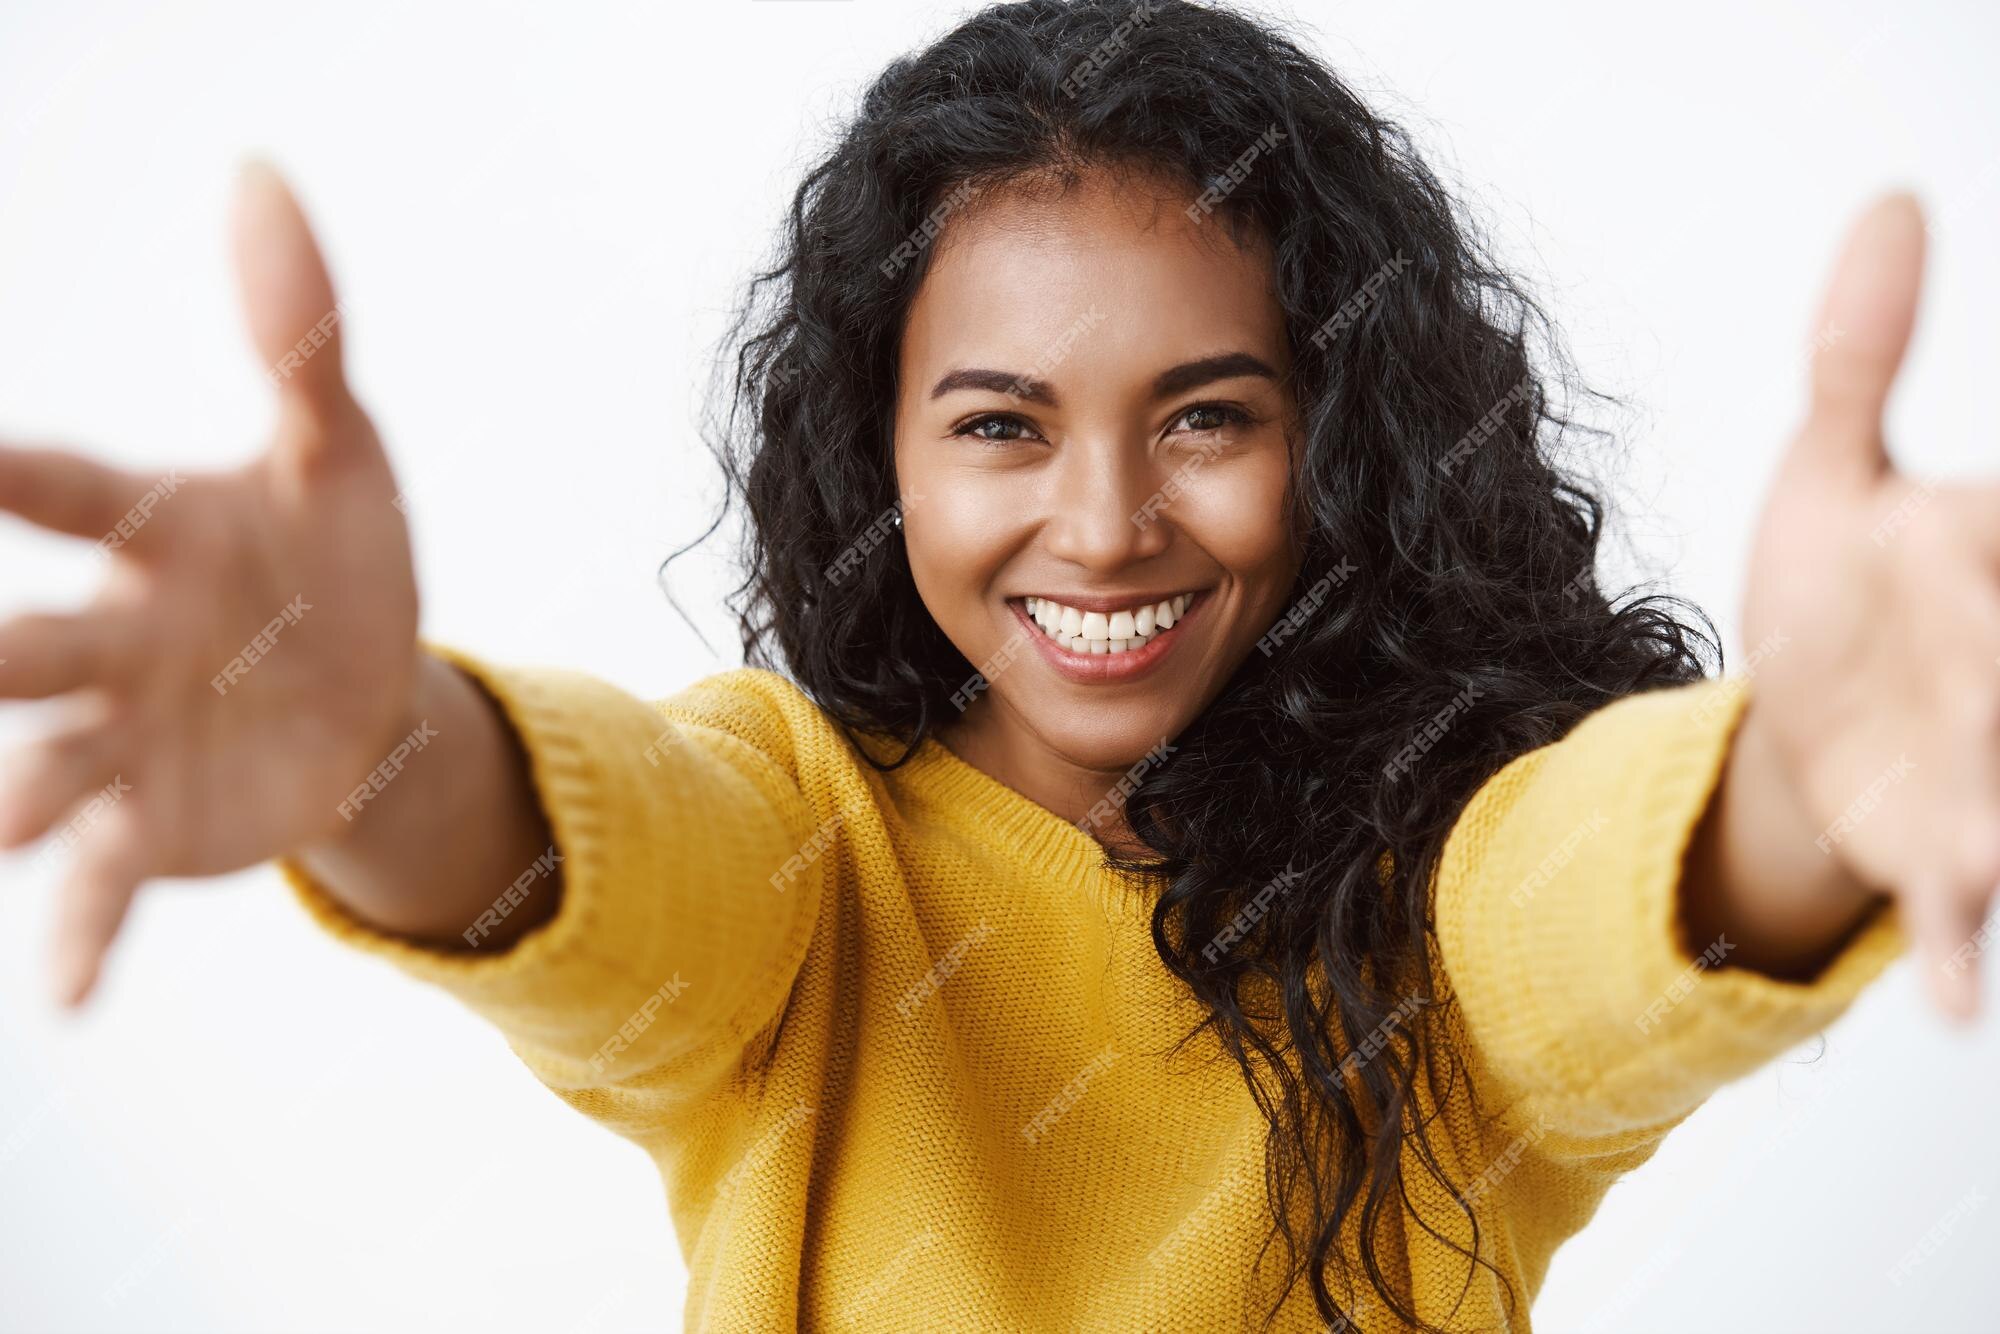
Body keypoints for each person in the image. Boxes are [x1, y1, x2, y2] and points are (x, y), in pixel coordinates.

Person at [4, 2, 1985, 1329]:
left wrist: (1807, 781)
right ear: (876, 451)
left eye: (1209, 416)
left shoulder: (1434, 892)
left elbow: (1594, 913)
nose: (1106, 522)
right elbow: (596, 884)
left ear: (1345, 434)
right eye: (1002, 425)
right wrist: (373, 751)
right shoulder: (804, 834)